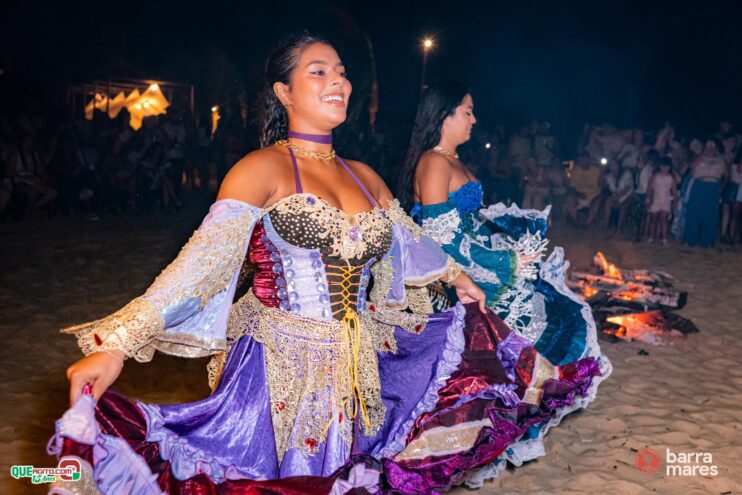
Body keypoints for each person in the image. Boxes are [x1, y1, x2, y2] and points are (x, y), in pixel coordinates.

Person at [50, 34, 605, 494]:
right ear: (283, 92)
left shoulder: (365, 176)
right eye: (318, 72)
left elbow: (411, 240)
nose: (338, 81)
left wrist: (458, 278)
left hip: (359, 369)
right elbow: (202, 264)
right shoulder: (261, 169)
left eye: (341, 72)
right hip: (279, 371)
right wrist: (117, 346)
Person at [398, 76, 610, 406]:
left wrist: (511, 247)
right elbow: (440, 237)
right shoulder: (433, 162)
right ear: (444, 115)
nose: (474, 119)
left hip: (468, 263)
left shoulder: (452, 160)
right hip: (448, 277)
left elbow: (469, 226)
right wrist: (504, 261)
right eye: (467, 111)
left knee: (547, 310)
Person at [682, 139, 726, 247]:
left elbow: (727, 175)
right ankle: (689, 240)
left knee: (710, 214)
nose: (710, 148)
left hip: (713, 186)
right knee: (694, 212)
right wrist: (702, 155)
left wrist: (721, 186)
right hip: (699, 185)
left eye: (712, 145)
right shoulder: (699, 157)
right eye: (708, 145)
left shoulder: (721, 159)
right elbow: (692, 167)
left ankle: (707, 241)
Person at [646, 157, 678, 245]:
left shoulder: (671, 178)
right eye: (662, 166)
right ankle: (651, 238)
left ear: (669, 167)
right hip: (655, 199)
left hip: (666, 200)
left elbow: (674, 192)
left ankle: (664, 239)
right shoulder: (655, 176)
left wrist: (674, 203)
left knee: (664, 220)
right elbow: (649, 189)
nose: (664, 168)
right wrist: (648, 200)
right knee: (654, 219)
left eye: (666, 166)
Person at [601, 158, 634, 234]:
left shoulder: (626, 173)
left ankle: (619, 229)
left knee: (623, 206)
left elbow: (627, 188)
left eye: (615, 165)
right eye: (611, 165)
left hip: (628, 196)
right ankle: (606, 224)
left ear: (619, 165)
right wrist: (602, 171)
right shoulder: (609, 176)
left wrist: (618, 200)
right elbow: (601, 185)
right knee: (608, 201)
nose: (613, 167)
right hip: (616, 197)